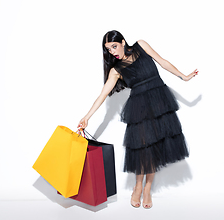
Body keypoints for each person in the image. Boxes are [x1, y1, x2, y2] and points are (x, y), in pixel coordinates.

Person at [78, 30, 198, 209]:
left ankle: (148, 188)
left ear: (123, 42)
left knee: (156, 146)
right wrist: (87, 116)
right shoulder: (116, 70)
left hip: (160, 101)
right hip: (139, 108)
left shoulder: (141, 45)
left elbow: (162, 61)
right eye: (108, 50)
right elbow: (103, 94)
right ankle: (138, 186)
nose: (112, 52)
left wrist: (184, 76)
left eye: (114, 46)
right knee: (143, 149)